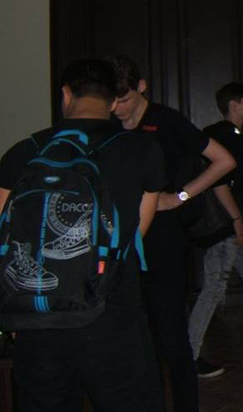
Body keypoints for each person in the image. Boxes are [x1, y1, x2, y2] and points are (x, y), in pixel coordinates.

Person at [0, 59, 166, 411]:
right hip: (113, 312)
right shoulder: (141, 150)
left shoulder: (22, 152)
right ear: (113, 101)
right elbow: (135, 232)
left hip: (37, 315)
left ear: (65, 94)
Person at [109, 55, 236, 412]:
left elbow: (225, 161)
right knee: (136, 341)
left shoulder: (167, 120)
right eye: (112, 100)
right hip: (123, 243)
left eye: (124, 99)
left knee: (172, 338)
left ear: (141, 87)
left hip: (165, 242)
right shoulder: (108, 124)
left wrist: (179, 197)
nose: (118, 108)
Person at [187, 82, 243, 378]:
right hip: (224, 225)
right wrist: (236, 218)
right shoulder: (227, 135)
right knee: (215, 287)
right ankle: (189, 354)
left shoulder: (224, 133)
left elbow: (231, 183)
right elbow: (219, 183)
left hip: (229, 219)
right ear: (234, 105)